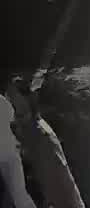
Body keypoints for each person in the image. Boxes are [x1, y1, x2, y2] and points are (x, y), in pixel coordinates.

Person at [1, 78, 35, 208]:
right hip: (11, 154)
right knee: (19, 194)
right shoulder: (5, 103)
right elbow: (14, 126)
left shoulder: (4, 103)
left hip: (8, 153)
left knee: (17, 195)